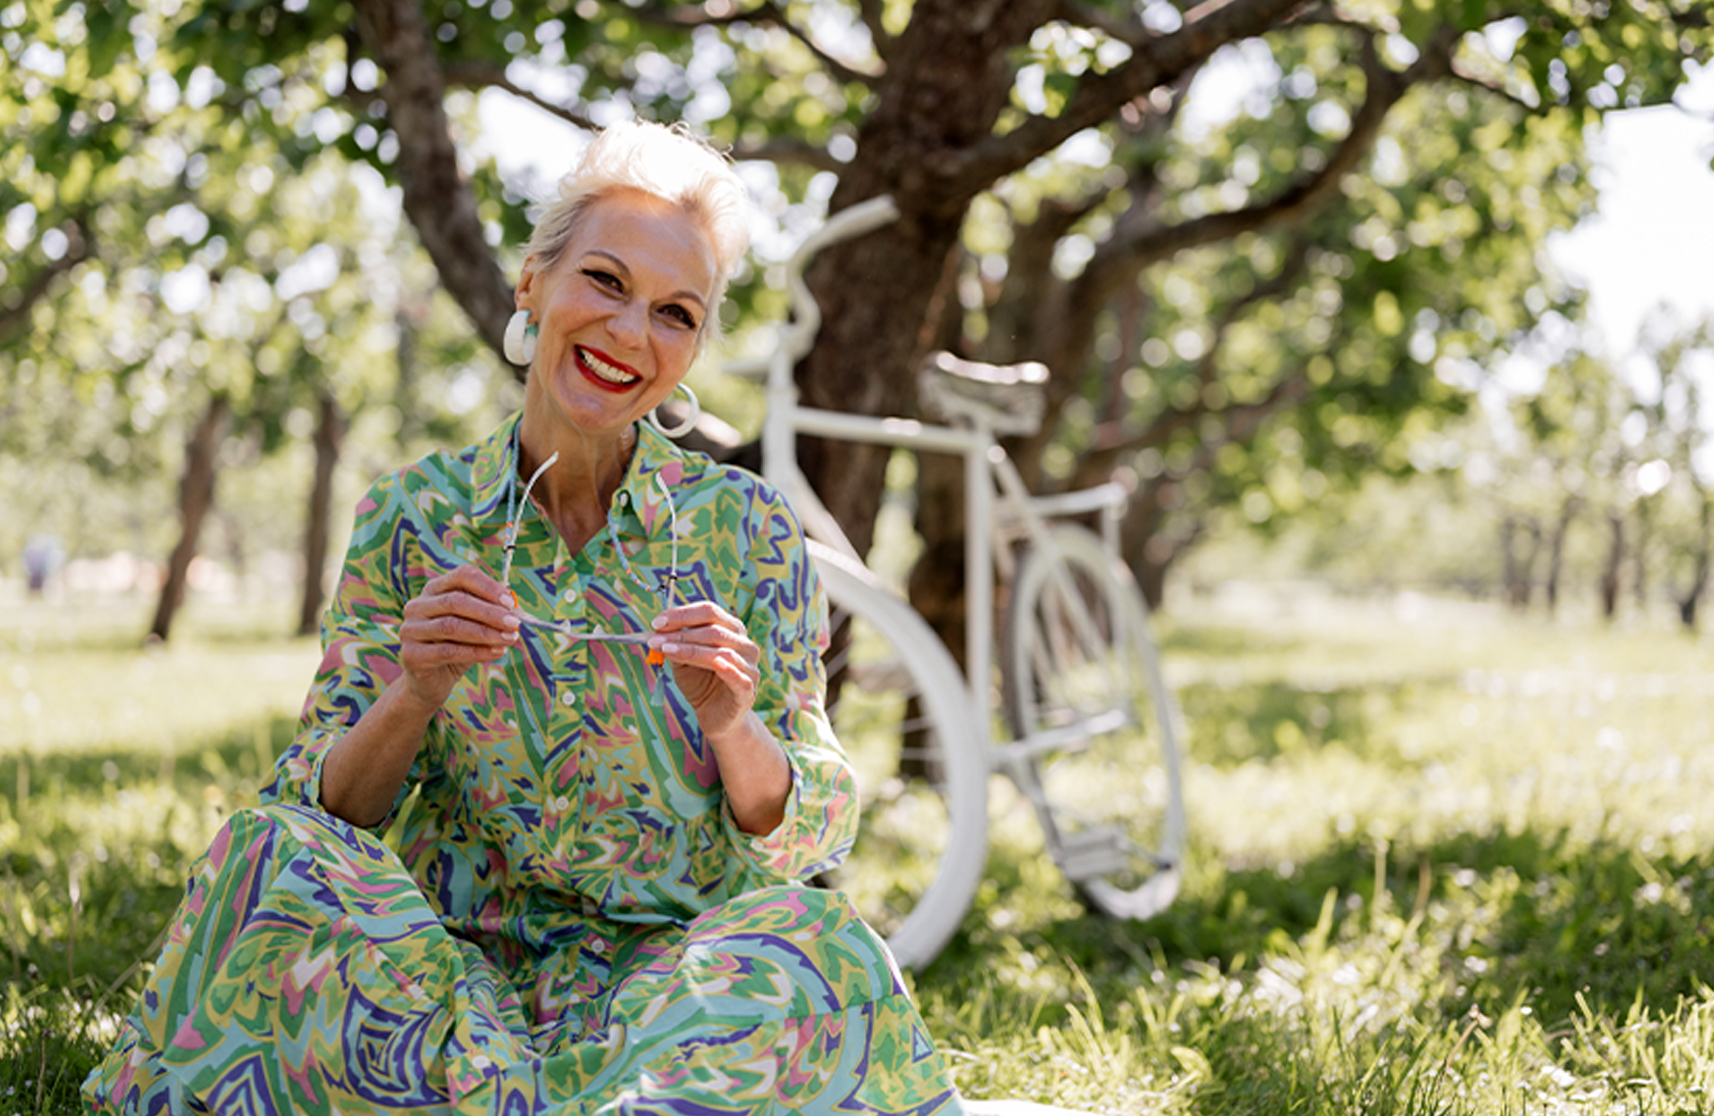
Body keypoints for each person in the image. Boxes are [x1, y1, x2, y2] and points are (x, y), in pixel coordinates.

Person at [84, 121, 964, 1116]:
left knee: (823, 951)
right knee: (264, 855)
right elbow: (324, 811)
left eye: (675, 312)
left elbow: (803, 837)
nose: (632, 334)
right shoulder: (412, 515)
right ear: (532, 284)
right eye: (604, 281)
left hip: (670, 999)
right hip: (440, 989)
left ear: (694, 347)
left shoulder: (744, 527)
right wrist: (414, 692)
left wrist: (731, 719)